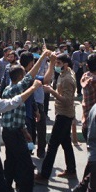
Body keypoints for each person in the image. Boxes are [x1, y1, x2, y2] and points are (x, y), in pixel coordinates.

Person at [1, 50, 51, 192]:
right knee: (27, 168)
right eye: (24, 75)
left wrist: (24, 130)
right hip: (12, 134)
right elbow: (31, 77)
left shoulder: (10, 89)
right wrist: (42, 57)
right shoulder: (14, 89)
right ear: (19, 77)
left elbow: (16, 114)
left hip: (15, 131)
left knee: (11, 166)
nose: (26, 77)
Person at [36, 53, 77, 183]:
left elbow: (67, 101)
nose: (56, 65)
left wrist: (51, 91)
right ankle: (71, 170)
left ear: (66, 64)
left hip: (64, 115)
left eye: (58, 63)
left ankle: (44, 175)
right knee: (66, 143)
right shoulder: (64, 73)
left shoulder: (67, 79)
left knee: (52, 145)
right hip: (63, 113)